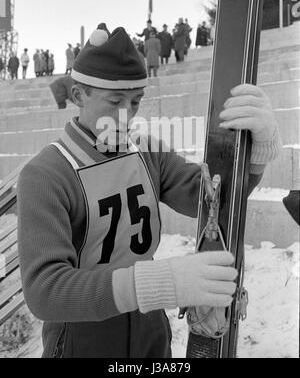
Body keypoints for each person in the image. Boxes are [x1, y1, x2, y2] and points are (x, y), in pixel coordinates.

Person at [17, 23, 280, 359]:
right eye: (114, 101)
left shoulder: (146, 150)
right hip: (84, 333)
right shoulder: (46, 174)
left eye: (136, 101)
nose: (126, 115)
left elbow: (213, 200)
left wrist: (255, 154)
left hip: (149, 323)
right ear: (79, 96)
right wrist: (159, 281)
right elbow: (45, 292)